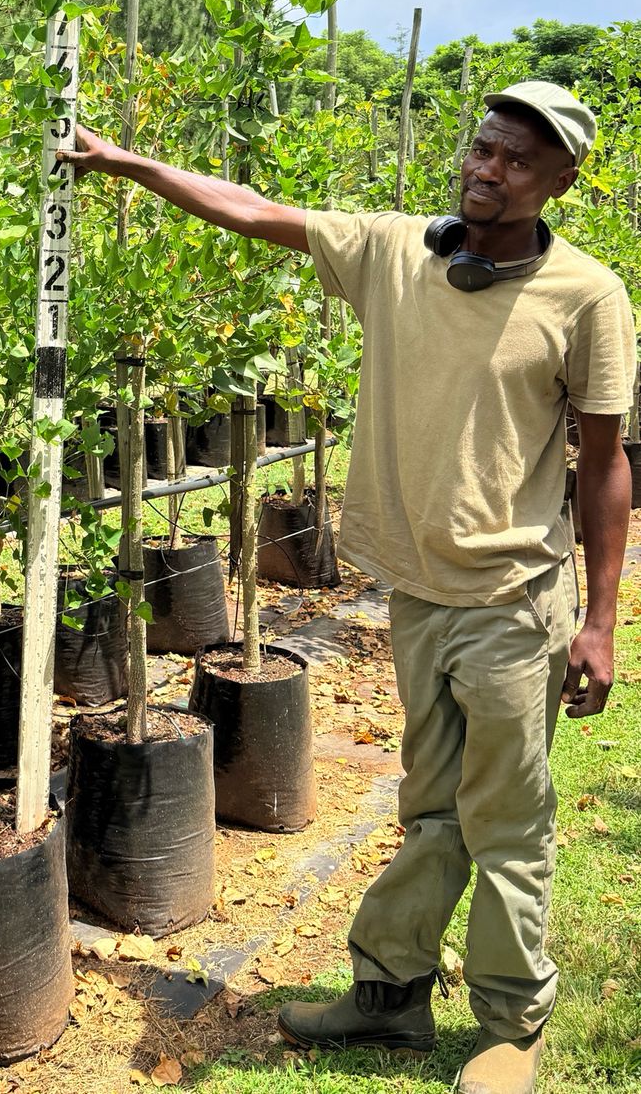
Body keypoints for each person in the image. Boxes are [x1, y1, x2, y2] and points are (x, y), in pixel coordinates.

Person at [63, 81, 635, 1094]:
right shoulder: (394, 251)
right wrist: (129, 164)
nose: (488, 170)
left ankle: (512, 1025)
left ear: (560, 182)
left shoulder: (586, 296)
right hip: (416, 592)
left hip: (513, 598)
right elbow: (252, 210)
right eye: (483, 148)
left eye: (517, 161)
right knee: (429, 804)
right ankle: (390, 995)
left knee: (506, 819)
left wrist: (600, 620)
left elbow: (603, 463)